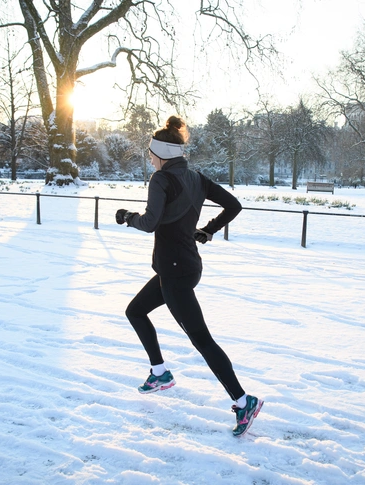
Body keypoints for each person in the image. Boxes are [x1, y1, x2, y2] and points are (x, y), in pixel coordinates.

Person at [115, 116, 262, 437]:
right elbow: (233, 205)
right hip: (184, 266)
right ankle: (160, 373)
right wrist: (208, 230)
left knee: (201, 339)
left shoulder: (161, 180)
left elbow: (151, 221)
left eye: (151, 153)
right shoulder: (196, 177)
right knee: (135, 311)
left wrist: (128, 217)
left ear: (162, 154)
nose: (150, 158)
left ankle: (243, 401)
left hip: (175, 271)